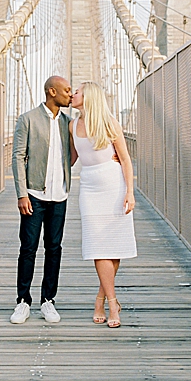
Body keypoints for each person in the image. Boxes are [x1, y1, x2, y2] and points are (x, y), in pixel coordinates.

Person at [69, 81, 136, 328]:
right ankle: (112, 301)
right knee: (98, 245)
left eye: (76, 91)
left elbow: (126, 160)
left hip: (114, 186)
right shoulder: (72, 125)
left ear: (89, 97)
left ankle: (104, 300)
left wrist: (130, 192)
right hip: (89, 188)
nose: (72, 94)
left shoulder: (109, 123)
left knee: (113, 246)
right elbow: (71, 159)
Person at [9, 75, 73, 324]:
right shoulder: (28, 119)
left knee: (54, 249)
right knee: (28, 249)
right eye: (66, 90)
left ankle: (48, 301)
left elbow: (75, 153)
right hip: (34, 195)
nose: (70, 93)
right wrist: (22, 193)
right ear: (51, 91)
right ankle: (23, 302)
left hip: (60, 196)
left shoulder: (68, 123)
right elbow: (18, 157)